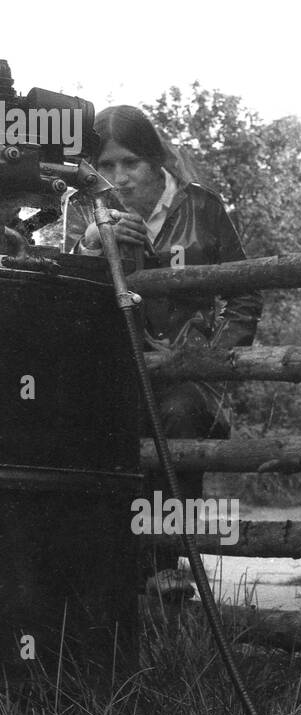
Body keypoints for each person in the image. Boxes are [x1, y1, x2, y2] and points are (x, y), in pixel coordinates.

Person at [65, 106, 261, 594]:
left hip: (189, 371)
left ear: (155, 160)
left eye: (130, 162)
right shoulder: (84, 205)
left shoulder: (202, 206)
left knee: (176, 416)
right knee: (88, 429)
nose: (119, 177)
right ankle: (101, 576)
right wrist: (91, 246)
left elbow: (246, 293)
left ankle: (168, 565)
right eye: (106, 166)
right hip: (114, 366)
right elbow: (68, 296)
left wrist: (214, 363)